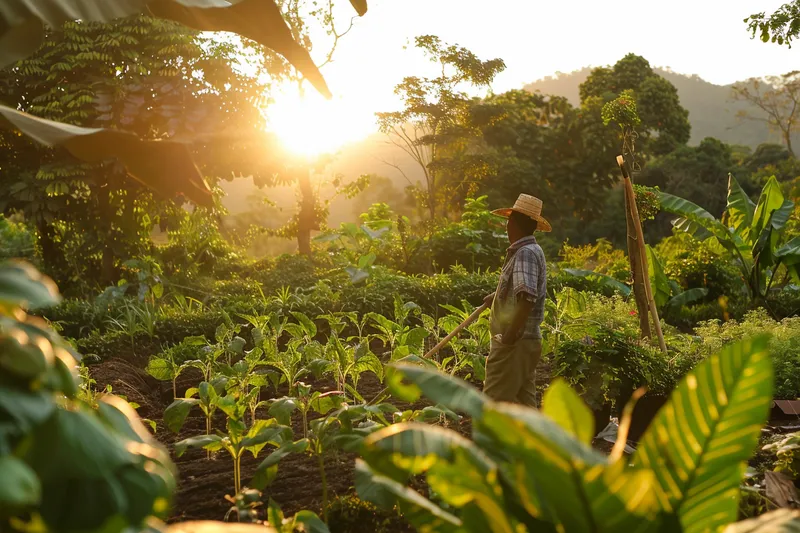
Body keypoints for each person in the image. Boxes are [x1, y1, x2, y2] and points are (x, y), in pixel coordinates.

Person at [482, 193, 550, 407]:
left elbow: (527, 299)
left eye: (508, 221)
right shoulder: (532, 251)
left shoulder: (525, 253)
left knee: (493, 405)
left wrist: (509, 337)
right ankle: (536, 441)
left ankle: (490, 442)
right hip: (525, 344)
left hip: (515, 345)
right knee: (524, 406)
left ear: (513, 222)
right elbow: (523, 292)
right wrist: (496, 298)